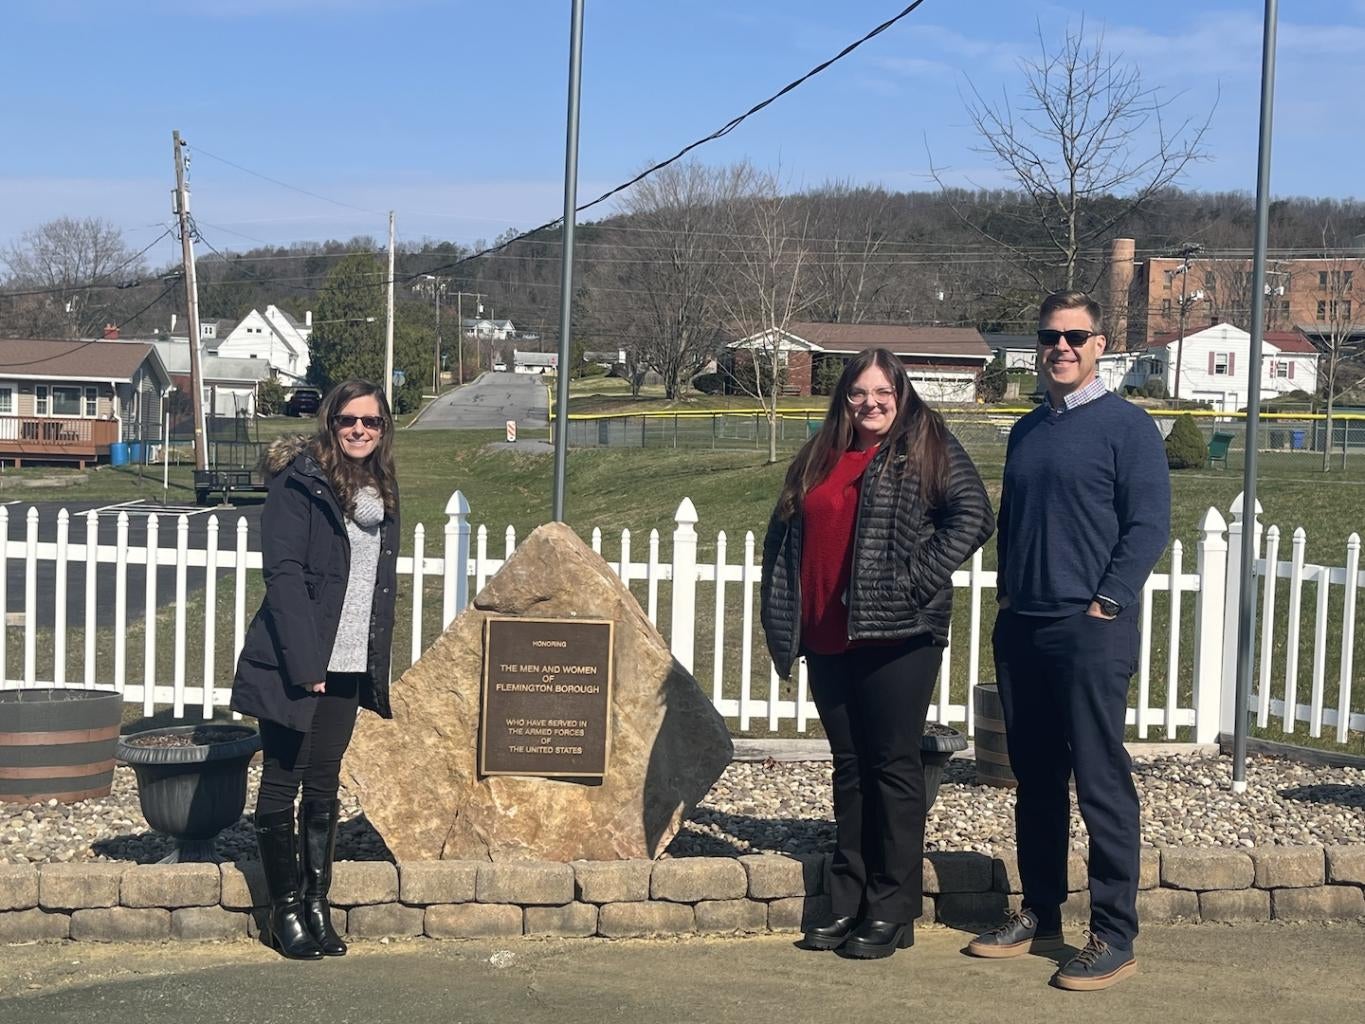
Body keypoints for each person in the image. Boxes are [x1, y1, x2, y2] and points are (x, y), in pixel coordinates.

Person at [761, 347, 994, 960]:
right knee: (851, 768)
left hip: (899, 636)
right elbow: (784, 536)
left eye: (882, 392)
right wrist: (784, 614)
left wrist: (913, 580)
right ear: (844, 397)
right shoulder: (819, 455)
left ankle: (892, 908)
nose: (870, 403)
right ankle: (847, 898)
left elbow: (973, 516)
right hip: (828, 637)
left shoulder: (926, 444)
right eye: (858, 393)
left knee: (892, 767)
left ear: (902, 394)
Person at [968, 291, 1170, 991]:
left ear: (1099, 344)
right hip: (1022, 625)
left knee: (1100, 781)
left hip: (1089, 631)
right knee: (1036, 780)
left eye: (1074, 337)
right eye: (1050, 337)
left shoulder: (1128, 427)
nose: (1060, 347)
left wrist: (1106, 603)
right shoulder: (1027, 430)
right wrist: (1007, 598)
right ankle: (1041, 913)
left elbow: (1147, 527)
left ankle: (1114, 934)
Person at [231, 379, 400, 961]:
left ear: (383, 430)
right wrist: (308, 667)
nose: (359, 429)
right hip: (296, 663)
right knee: (283, 780)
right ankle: (283, 913)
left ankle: (316, 904)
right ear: (331, 422)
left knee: (324, 784)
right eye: (349, 420)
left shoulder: (380, 491)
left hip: (349, 665)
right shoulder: (299, 482)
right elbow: (283, 577)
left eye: (371, 422)